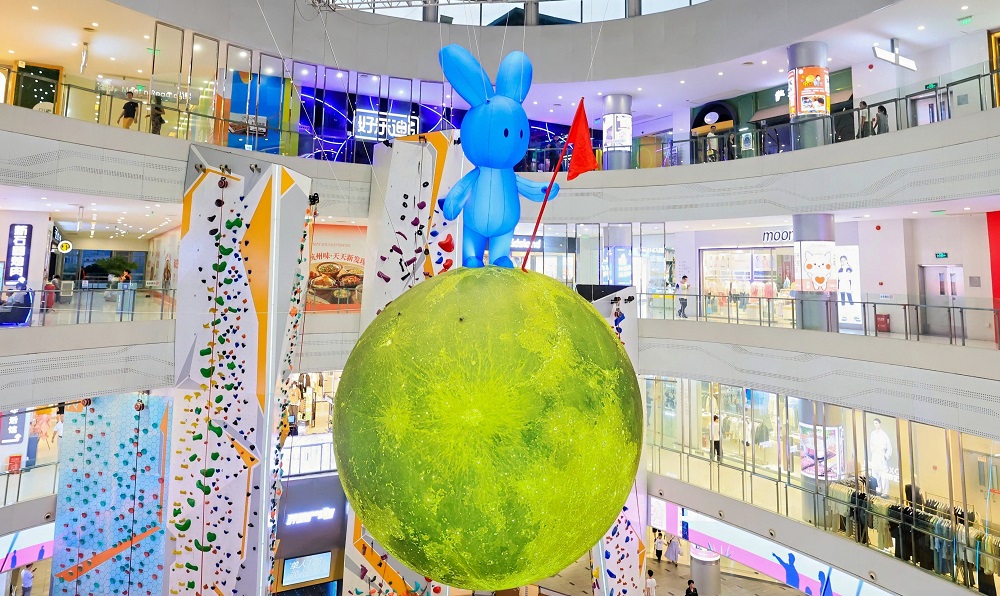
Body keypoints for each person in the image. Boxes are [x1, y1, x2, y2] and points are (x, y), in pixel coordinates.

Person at [868, 418, 892, 496]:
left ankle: (885, 492)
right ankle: (878, 490)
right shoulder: (873, 434)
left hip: (881, 456)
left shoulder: (884, 435)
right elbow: (871, 444)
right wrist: (873, 451)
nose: (875, 425)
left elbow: (889, 447)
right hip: (875, 456)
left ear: (879, 424)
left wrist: (886, 456)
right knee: (875, 474)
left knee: (883, 475)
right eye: (874, 423)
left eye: (877, 423)